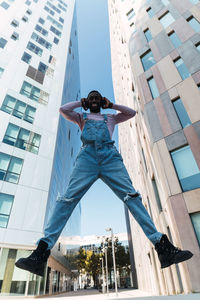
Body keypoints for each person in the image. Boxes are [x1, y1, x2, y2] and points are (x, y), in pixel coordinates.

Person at [15, 90, 193, 276]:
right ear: (87, 101)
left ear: (101, 101)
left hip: (110, 158)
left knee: (132, 197)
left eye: (96, 98)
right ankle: (40, 253)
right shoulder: (81, 117)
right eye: (90, 97)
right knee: (67, 200)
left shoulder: (111, 118)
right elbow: (62, 109)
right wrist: (80, 102)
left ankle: (163, 247)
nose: (93, 99)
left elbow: (131, 113)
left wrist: (112, 105)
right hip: (87, 158)